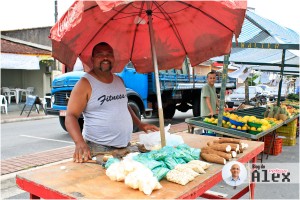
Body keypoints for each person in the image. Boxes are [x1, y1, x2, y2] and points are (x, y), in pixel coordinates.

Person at [66, 42, 159, 163]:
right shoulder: (84, 84)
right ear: (92, 59)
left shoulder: (119, 80)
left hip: (124, 146)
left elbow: (123, 105)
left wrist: (140, 124)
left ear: (113, 58)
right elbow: (70, 116)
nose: (105, 57)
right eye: (100, 54)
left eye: (109, 54)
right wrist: (79, 143)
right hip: (99, 149)